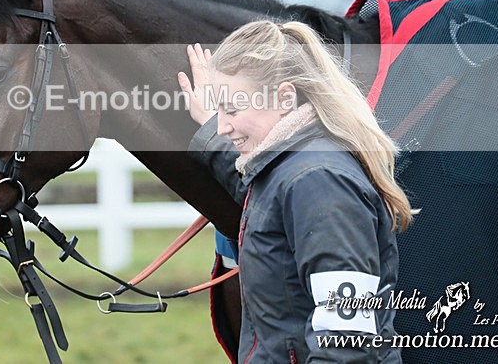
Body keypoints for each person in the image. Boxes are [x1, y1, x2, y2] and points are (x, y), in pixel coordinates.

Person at [177, 20, 413, 363]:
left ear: (286, 97)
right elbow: (268, 200)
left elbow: (347, 343)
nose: (222, 125)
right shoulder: (291, 172)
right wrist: (213, 132)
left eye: (231, 109)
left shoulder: (318, 182)